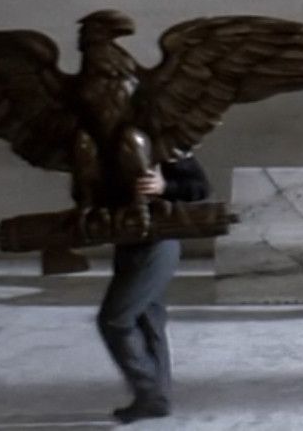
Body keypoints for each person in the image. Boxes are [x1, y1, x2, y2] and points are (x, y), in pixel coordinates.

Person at [98, 152, 211, 423]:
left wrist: (165, 188)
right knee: (148, 319)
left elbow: (199, 188)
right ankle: (155, 400)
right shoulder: (105, 141)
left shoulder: (163, 141)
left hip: (158, 243)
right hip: (127, 242)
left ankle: (151, 392)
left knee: (115, 318)